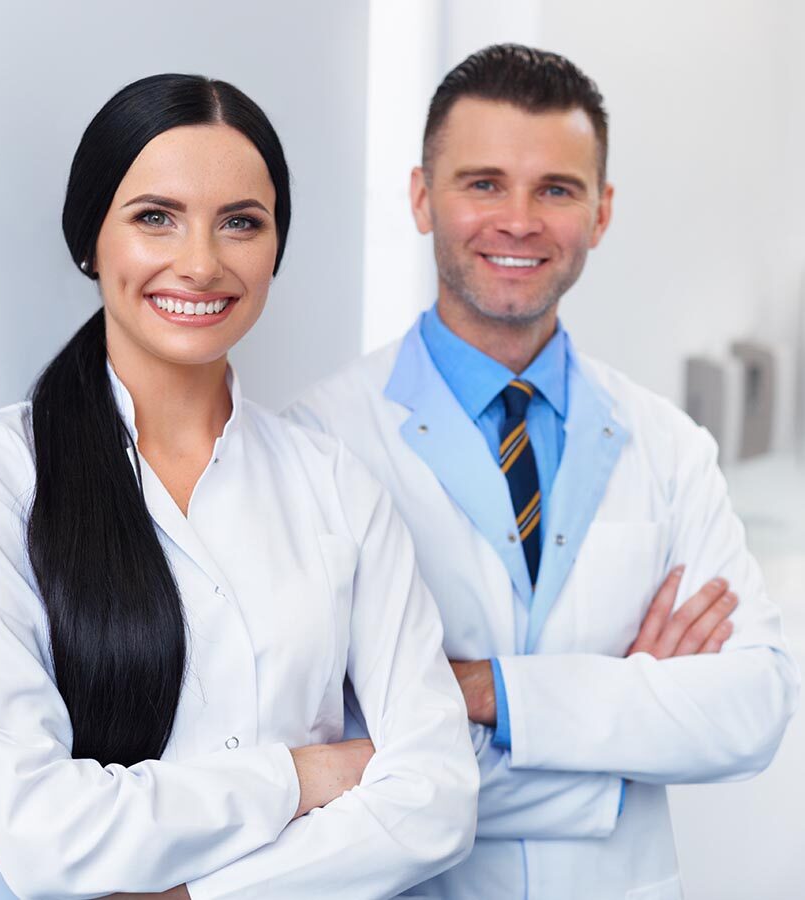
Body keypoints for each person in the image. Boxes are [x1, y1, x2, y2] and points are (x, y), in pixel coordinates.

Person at [0, 73, 479, 900]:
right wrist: (300, 775)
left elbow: (438, 800)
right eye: (155, 217)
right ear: (90, 240)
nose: (200, 263)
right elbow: (39, 835)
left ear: (276, 248)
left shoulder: (334, 485)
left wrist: (190, 896)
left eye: (241, 224)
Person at [286, 45, 800, 899]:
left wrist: (485, 694)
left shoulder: (668, 446)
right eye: (482, 183)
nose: (518, 220)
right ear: (423, 198)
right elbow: (326, 759)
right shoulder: (319, 443)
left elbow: (752, 711)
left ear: (600, 212)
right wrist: (624, 726)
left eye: (555, 189)